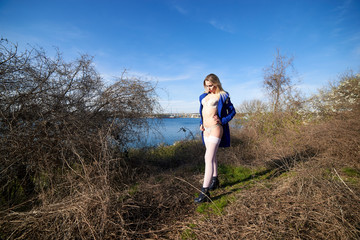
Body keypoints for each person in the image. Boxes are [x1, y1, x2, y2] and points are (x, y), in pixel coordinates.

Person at [195, 73, 236, 203]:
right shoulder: (203, 96)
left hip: (215, 129)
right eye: (207, 86)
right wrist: (201, 123)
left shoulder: (223, 95)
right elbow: (203, 112)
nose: (209, 88)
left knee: (207, 158)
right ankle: (215, 179)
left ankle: (204, 192)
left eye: (211, 85)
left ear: (216, 83)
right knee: (212, 157)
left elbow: (233, 111)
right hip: (205, 130)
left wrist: (222, 120)